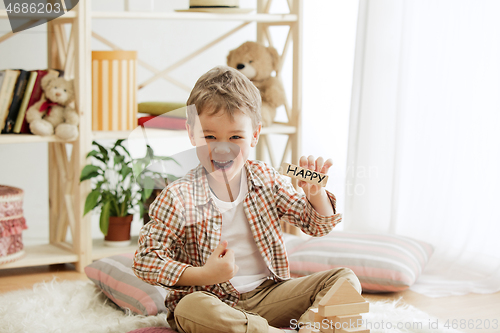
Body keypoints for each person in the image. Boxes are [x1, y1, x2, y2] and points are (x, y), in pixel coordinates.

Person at [133, 66, 361, 333]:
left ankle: (308, 329)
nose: (222, 147)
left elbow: (316, 225)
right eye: (209, 136)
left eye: (235, 137)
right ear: (191, 134)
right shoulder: (178, 196)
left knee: (345, 280)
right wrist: (204, 275)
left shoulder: (267, 178)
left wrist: (316, 194)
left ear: (254, 134)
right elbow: (146, 260)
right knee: (188, 308)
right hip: (212, 302)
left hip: (268, 296)